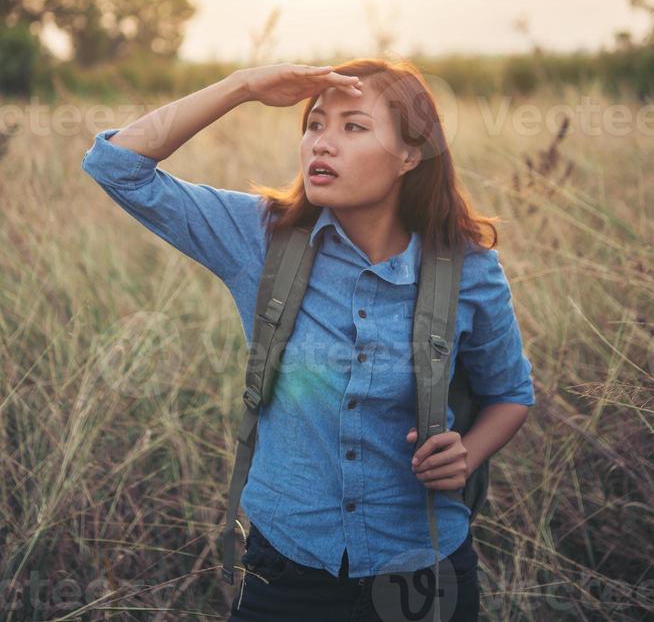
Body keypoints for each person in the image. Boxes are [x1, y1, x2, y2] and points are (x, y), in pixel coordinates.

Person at [81, 59, 536, 622]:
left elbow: (511, 392)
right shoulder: (260, 237)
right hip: (287, 567)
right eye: (314, 125)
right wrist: (242, 87)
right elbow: (116, 166)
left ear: (411, 155)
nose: (322, 143)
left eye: (353, 127)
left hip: (422, 569)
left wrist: (467, 455)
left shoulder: (468, 268)